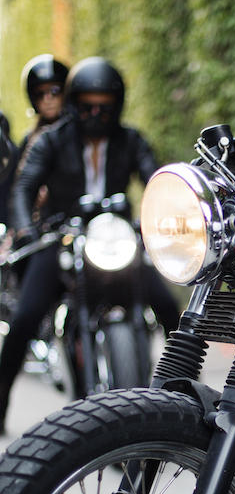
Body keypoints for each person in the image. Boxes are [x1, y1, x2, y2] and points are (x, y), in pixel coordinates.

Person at [0, 56, 180, 432]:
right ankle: (0, 402)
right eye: (87, 105)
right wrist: (25, 228)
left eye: (105, 105)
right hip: (61, 237)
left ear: (118, 104)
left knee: (167, 305)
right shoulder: (51, 140)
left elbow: (156, 181)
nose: (96, 114)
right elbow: (23, 188)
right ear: (74, 104)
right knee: (25, 317)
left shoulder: (131, 140)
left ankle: (185, 393)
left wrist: (166, 216)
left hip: (115, 237)